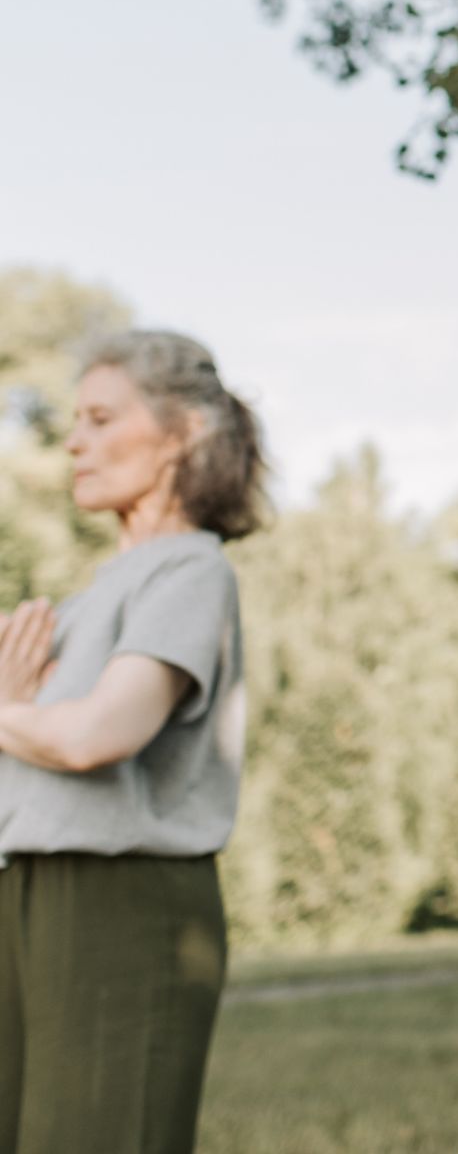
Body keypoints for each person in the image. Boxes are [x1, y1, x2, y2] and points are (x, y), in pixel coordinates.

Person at [0, 330, 262, 1154]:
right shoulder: (91, 596)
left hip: (120, 906)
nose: (73, 440)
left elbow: (96, 737)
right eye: (75, 420)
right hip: (26, 893)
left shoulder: (190, 573)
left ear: (182, 431)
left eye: (101, 417)